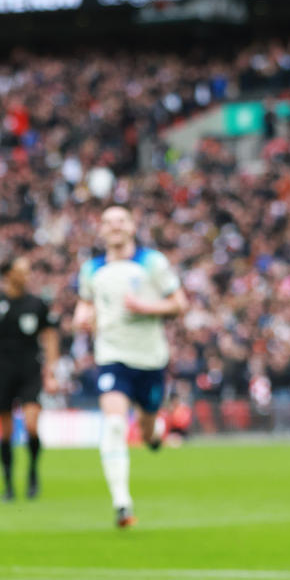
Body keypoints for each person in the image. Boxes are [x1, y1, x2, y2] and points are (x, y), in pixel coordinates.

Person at [72, 206, 188, 527]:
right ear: (101, 229)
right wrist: (82, 317)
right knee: (114, 424)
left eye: (121, 221)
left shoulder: (153, 262)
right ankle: (122, 503)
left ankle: (156, 433)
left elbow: (180, 303)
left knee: (148, 431)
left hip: (151, 359)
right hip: (111, 357)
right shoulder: (91, 269)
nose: (115, 227)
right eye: (108, 222)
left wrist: (145, 307)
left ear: (133, 226)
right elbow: (85, 304)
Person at [0, 256, 59, 501]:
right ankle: (8, 485)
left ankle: (32, 474)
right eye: (22, 270)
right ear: (8, 274)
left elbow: (50, 338)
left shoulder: (38, 304)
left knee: (31, 425)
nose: (27, 274)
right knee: (5, 432)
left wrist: (51, 372)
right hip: (3, 371)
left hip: (30, 370)